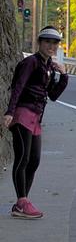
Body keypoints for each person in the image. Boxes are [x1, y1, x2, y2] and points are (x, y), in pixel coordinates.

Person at [3, 26, 69, 219]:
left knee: (34, 161)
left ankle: (22, 202)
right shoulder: (30, 62)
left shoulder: (49, 67)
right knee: (22, 158)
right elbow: (18, 87)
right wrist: (10, 112)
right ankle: (22, 202)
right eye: (47, 41)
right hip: (22, 113)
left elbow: (54, 95)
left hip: (36, 118)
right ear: (39, 42)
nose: (51, 45)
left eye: (55, 42)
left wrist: (63, 76)